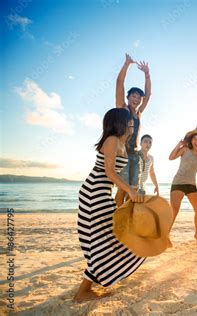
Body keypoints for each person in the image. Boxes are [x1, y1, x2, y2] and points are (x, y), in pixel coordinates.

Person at [75, 108, 145, 302]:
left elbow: (116, 176)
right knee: (104, 240)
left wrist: (130, 190)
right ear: (119, 122)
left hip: (102, 192)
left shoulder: (123, 143)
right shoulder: (112, 140)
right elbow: (109, 173)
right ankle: (82, 292)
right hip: (93, 193)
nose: (132, 123)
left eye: (132, 121)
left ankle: (85, 289)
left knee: (108, 239)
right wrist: (130, 191)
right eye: (128, 120)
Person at [115, 53, 152, 207]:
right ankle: (117, 216)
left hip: (135, 154)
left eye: (139, 98)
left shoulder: (138, 113)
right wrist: (126, 65)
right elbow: (119, 83)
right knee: (123, 190)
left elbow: (148, 94)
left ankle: (128, 218)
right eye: (134, 96)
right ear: (128, 97)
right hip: (122, 153)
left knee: (134, 189)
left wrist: (147, 74)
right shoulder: (122, 108)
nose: (137, 100)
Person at [169, 130, 197, 245]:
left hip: (191, 185)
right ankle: (166, 234)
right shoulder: (184, 150)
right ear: (191, 141)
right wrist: (179, 145)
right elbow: (171, 157)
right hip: (178, 182)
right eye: (194, 139)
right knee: (174, 209)